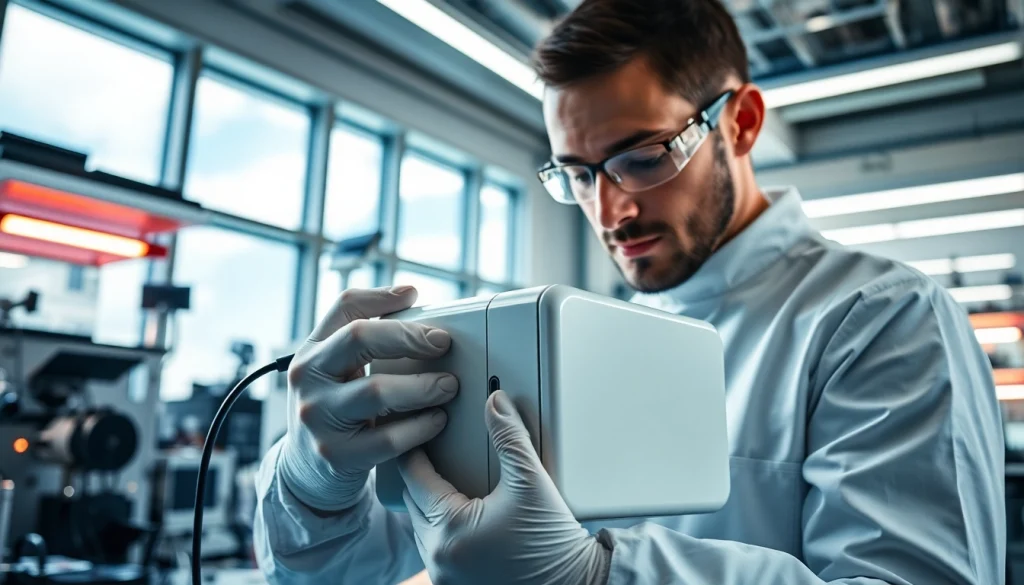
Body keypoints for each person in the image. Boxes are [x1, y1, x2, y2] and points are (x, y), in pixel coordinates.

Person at [252, 0, 1006, 583]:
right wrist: (315, 483)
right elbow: (327, 571)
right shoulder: (579, 342)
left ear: (739, 124)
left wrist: (602, 575)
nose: (611, 211)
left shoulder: (879, 317)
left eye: (641, 157)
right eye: (576, 175)